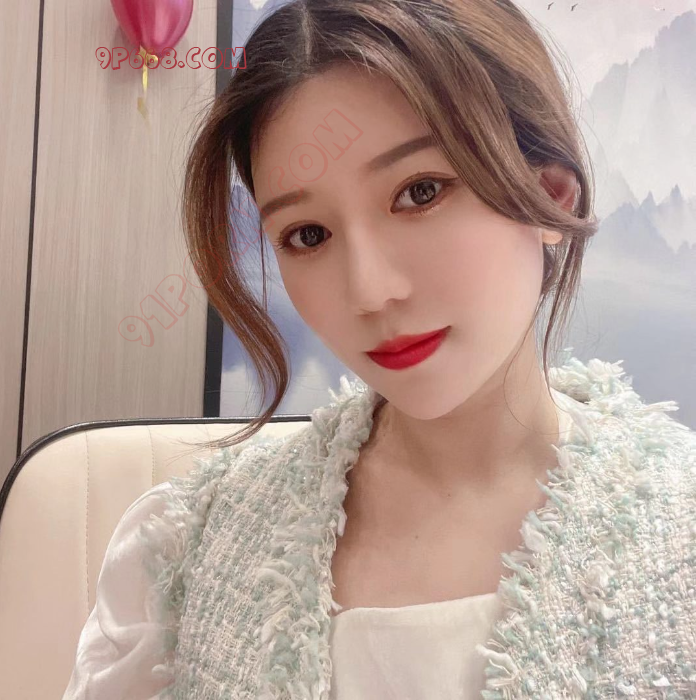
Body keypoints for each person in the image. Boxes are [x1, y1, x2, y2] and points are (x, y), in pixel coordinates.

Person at [63, 0, 696, 698]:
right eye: (307, 235)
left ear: (549, 193)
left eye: (420, 192)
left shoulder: (679, 532)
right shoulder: (190, 547)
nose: (369, 291)